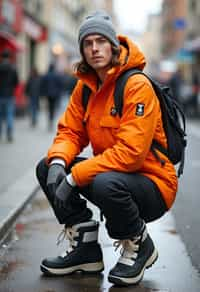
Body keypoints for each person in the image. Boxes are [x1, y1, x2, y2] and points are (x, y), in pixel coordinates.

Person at [36, 11, 178, 286]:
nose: (94, 48)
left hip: (153, 184)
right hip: (113, 175)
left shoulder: (136, 85)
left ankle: (138, 243)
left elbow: (131, 155)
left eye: (101, 41)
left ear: (113, 45)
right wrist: (57, 164)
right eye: (87, 43)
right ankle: (86, 248)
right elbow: (70, 132)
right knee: (46, 167)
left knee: (104, 183)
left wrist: (75, 177)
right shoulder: (85, 88)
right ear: (82, 50)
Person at [0, 49, 19, 142]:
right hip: (10, 95)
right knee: (9, 115)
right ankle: (9, 134)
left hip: (1, 94)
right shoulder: (13, 68)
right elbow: (16, 82)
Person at [40, 63, 64, 130]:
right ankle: (51, 119)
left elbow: (42, 85)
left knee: (49, 107)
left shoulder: (46, 75)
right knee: (53, 107)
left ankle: (50, 119)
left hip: (48, 94)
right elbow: (60, 85)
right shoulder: (57, 75)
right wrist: (59, 93)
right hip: (55, 94)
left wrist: (43, 93)